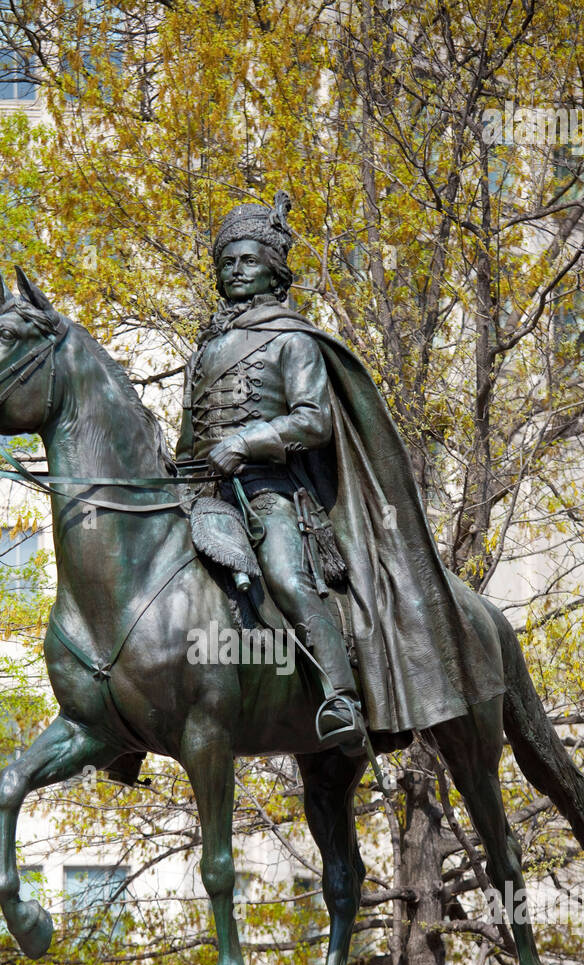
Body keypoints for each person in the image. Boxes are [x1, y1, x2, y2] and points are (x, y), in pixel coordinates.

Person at [176, 192, 505, 749]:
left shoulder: (293, 338)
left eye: (247, 260)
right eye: (226, 261)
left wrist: (247, 442)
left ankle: (341, 698)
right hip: (205, 495)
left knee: (285, 576)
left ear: (273, 271)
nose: (234, 270)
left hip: (270, 493)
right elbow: (191, 437)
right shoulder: (205, 349)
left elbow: (313, 422)